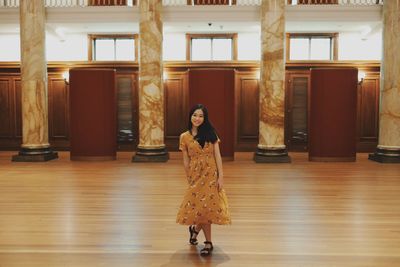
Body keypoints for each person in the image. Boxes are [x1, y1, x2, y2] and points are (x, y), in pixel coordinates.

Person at [176, 104, 231, 256]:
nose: (197, 118)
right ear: (190, 116)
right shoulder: (184, 137)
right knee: (199, 206)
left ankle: (208, 242)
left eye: (201, 116)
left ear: (204, 118)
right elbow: (186, 160)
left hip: (211, 174)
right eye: (195, 115)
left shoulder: (210, 133)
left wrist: (221, 176)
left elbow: (217, 155)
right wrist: (189, 177)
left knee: (208, 207)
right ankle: (195, 231)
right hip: (195, 175)